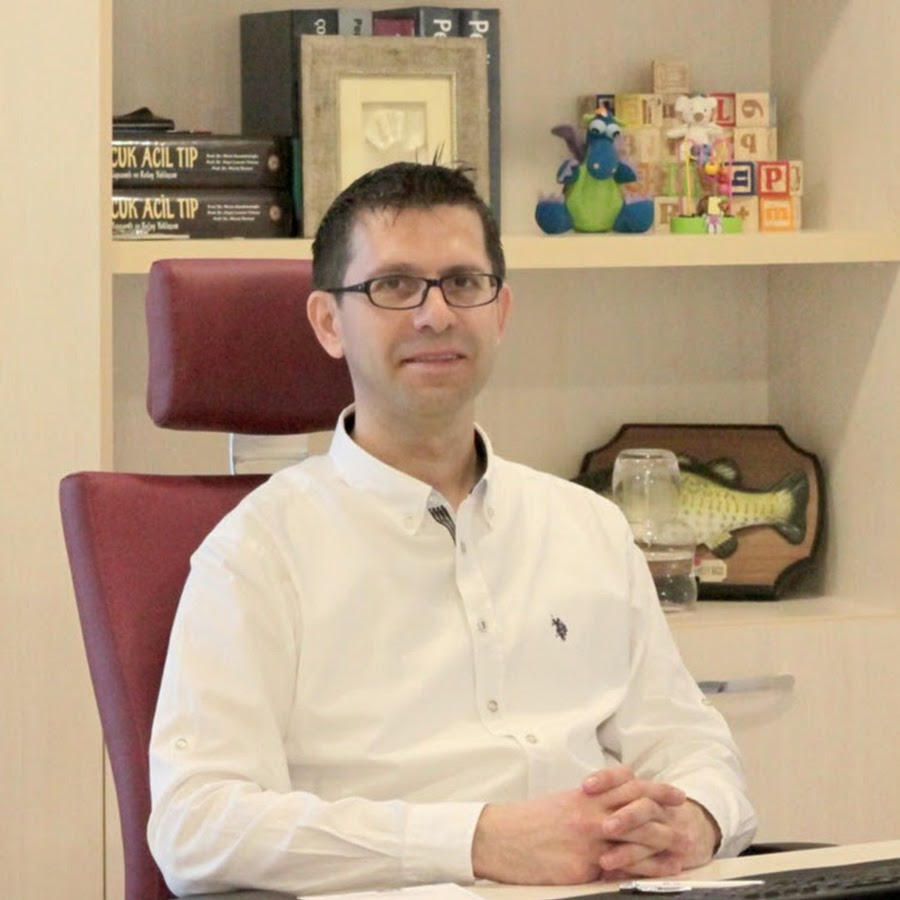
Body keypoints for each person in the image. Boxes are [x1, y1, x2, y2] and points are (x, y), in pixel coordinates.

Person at [148, 161, 756, 897]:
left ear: (500, 312)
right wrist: (477, 842)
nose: (435, 314)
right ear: (329, 323)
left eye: (464, 283)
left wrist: (695, 820)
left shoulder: (587, 526)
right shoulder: (258, 551)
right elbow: (196, 826)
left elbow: (690, 745)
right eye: (394, 285)